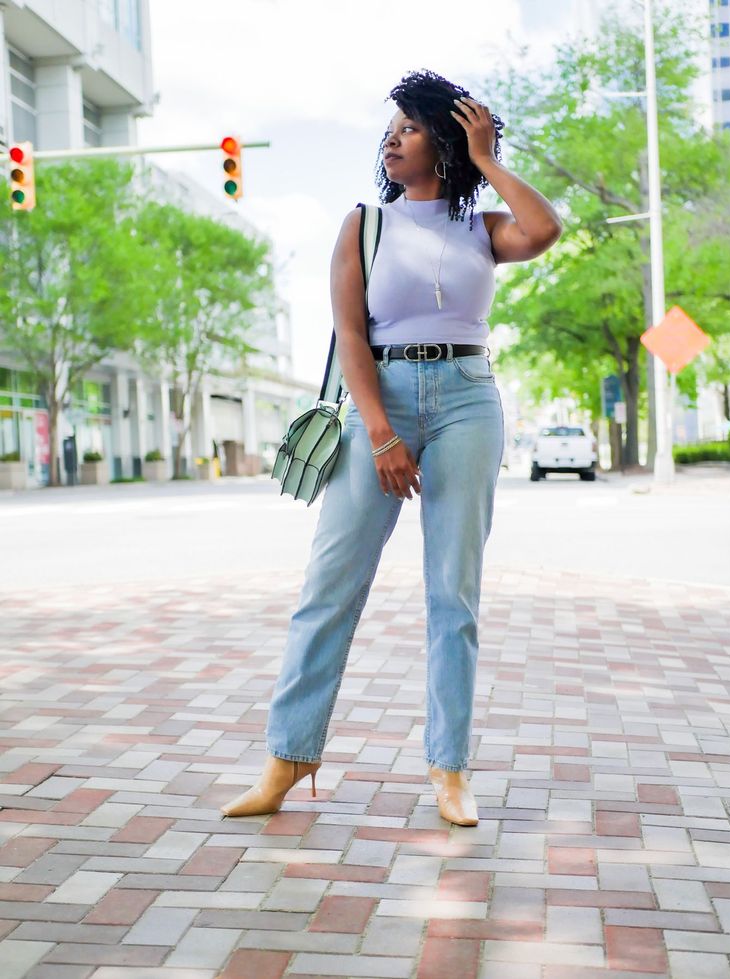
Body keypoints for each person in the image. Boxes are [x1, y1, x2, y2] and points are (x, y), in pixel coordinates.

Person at [221, 69, 562, 826]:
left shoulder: (483, 230)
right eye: (391, 129)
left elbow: (543, 229)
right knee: (328, 586)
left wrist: (487, 160)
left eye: (409, 127)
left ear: (445, 140)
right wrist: (379, 433)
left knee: (454, 595)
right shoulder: (364, 224)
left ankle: (449, 769)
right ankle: (287, 756)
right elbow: (351, 333)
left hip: (468, 402)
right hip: (380, 403)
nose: (392, 138)